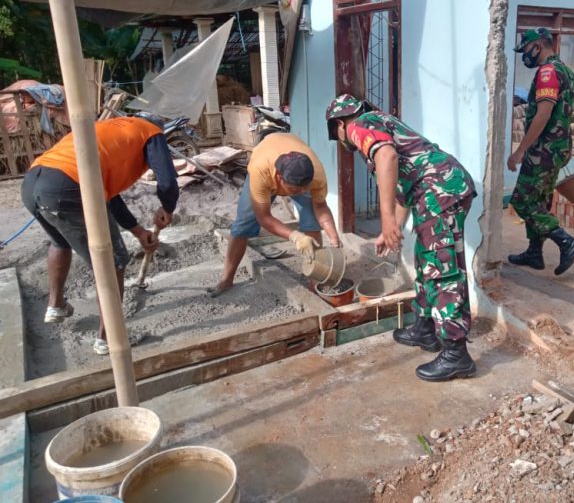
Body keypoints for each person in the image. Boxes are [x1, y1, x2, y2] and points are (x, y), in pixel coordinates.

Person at [325, 94, 476, 382]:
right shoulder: (381, 122)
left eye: (337, 132)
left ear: (340, 123)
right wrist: (389, 229)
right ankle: (425, 328)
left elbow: (387, 157)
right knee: (426, 260)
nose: (343, 139)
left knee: (441, 269)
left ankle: (457, 354)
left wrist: (386, 218)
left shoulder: (360, 124)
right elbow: (404, 188)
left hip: (439, 192)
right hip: (435, 191)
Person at [21, 113, 178, 355]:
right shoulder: (151, 133)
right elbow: (167, 180)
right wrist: (167, 207)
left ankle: (56, 304)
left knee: (60, 241)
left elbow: (109, 196)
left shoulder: (111, 130)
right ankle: (109, 338)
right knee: (113, 261)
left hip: (33, 183)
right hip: (68, 186)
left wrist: (138, 231)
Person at [210, 132, 341, 296]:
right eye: (295, 190)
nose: (300, 192)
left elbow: (321, 208)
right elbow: (264, 217)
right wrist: (294, 236)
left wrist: (334, 237)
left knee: (311, 221)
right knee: (243, 225)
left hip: (290, 156)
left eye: (304, 188)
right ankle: (226, 280)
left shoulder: (316, 175)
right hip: (266, 159)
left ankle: (315, 280)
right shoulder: (260, 172)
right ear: (279, 178)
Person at [507, 28, 574, 275]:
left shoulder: (548, 73)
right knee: (539, 200)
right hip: (558, 148)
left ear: (539, 46)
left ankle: (566, 242)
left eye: (527, 50)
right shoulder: (566, 70)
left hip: (544, 150)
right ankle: (534, 252)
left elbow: (543, 115)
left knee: (522, 200)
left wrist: (520, 150)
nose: (525, 56)